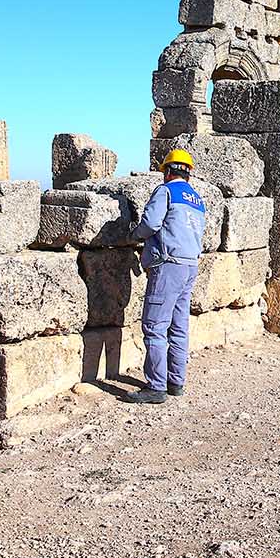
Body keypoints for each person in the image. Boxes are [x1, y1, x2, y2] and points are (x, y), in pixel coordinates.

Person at [126, 149, 206, 405]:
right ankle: (176, 382)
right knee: (179, 326)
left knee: (154, 326)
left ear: (168, 171)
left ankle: (156, 387)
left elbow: (151, 223)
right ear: (189, 174)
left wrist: (134, 235)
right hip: (189, 265)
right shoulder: (197, 199)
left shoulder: (166, 191)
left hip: (168, 264)